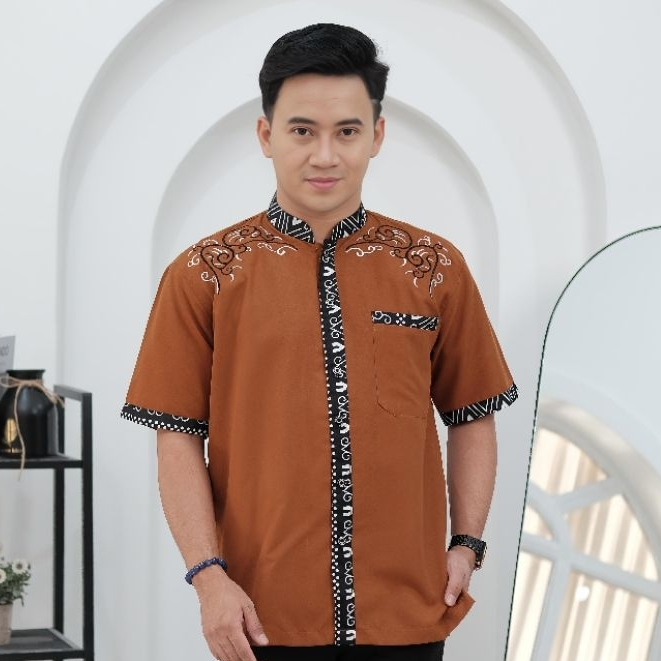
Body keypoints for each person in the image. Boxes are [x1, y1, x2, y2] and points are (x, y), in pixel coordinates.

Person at [122, 23, 517, 661]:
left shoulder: (433, 267)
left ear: (377, 136)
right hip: (259, 617)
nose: (325, 155)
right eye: (302, 131)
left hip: (408, 614)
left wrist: (467, 544)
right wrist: (208, 578)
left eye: (347, 131)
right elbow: (176, 438)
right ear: (266, 135)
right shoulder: (204, 274)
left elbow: (473, 413)